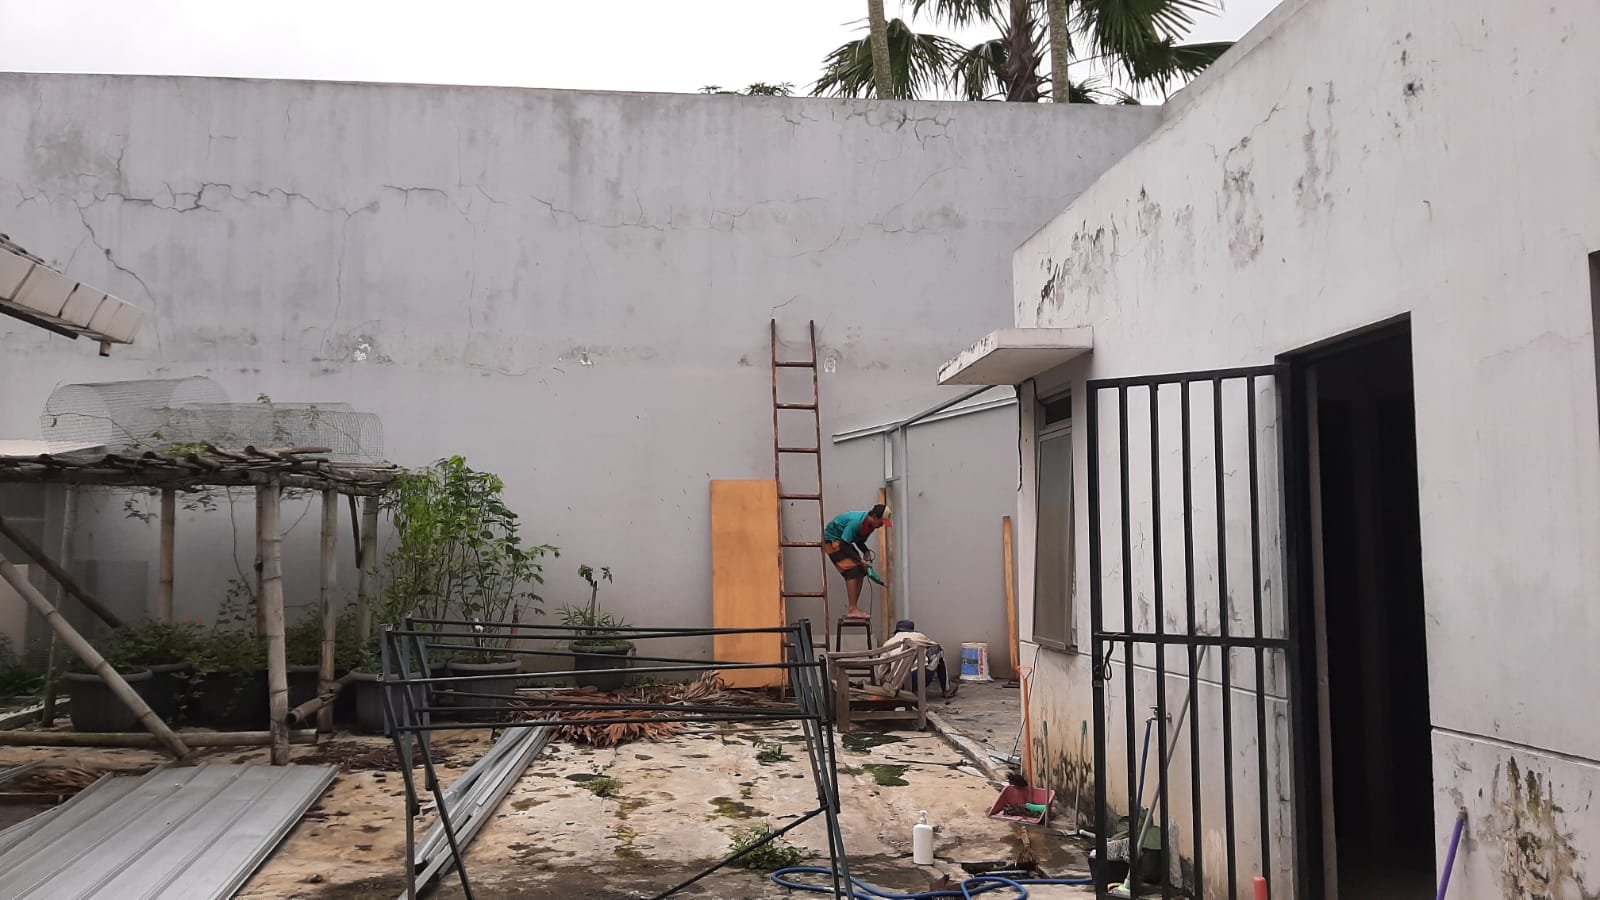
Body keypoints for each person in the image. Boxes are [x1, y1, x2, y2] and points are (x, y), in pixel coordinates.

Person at [822, 503, 890, 620]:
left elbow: (858, 541)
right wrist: (860, 560)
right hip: (832, 540)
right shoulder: (856, 523)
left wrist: (866, 551)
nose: (882, 525)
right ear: (874, 517)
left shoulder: (870, 526)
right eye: (881, 522)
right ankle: (852, 609)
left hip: (843, 542)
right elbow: (843, 544)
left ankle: (854, 608)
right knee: (852, 571)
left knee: (862, 570)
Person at [883, 619, 957, 699]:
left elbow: (881, 672)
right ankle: (947, 689)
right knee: (939, 650)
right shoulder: (918, 636)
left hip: (897, 684)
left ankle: (908, 689)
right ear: (912, 630)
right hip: (918, 680)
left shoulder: (888, 643)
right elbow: (935, 645)